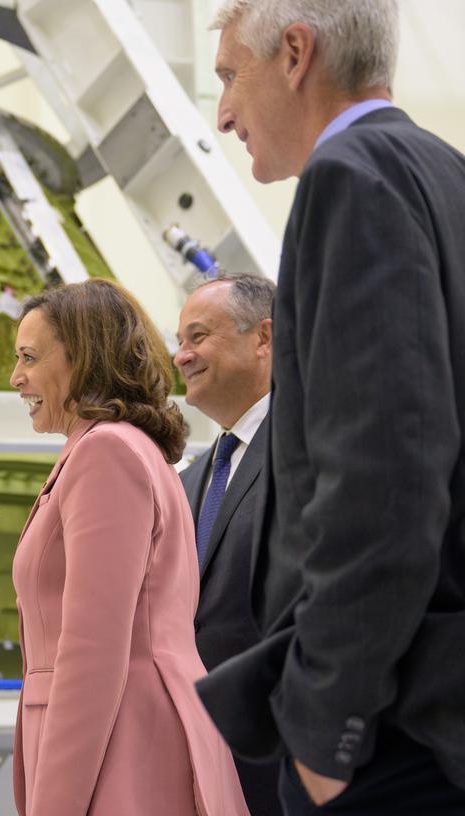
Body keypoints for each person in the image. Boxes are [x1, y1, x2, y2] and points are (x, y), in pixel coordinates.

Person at [197, 2, 465, 813]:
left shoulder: (351, 181)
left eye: (229, 76)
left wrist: (326, 731)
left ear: (295, 55)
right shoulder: (443, 173)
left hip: (390, 734)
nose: (223, 112)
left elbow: (383, 476)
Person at [9, 278, 248, 816]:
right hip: (126, 740)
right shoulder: (115, 449)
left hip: (123, 748)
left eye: (28, 357)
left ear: (83, 359)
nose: (15, 378)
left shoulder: (106, 454)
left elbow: (94, 652)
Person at [175, 274, 280, 816]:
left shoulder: (313, 447)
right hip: (200, 756)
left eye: (197, 336)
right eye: (179, 341)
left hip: (286, 755)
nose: (181, 356)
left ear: (264, 338)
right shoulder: (189, 482)